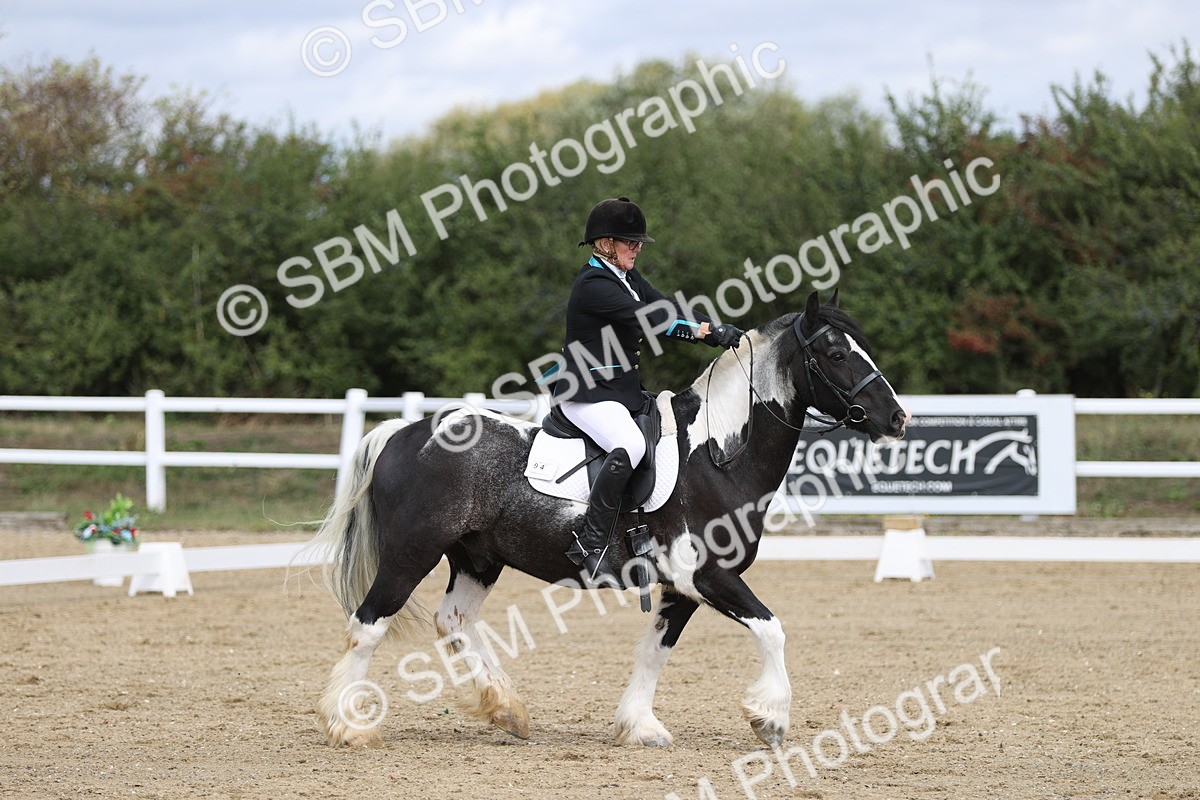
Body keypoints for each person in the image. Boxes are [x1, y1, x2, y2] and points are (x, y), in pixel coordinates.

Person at [552, 196, 744, 582]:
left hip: (619, 392)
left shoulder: (626, 276)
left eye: (639, 243)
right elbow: (648, 319)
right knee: (633, 446)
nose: (637, 249)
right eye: (630, 243)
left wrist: (718, 327)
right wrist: (704, 333)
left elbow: (667, 305)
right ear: (606, 244)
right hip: (585, 393)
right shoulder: (593, 284)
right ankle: (590, 542)